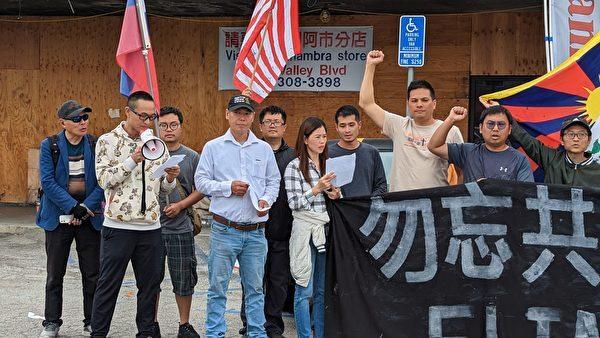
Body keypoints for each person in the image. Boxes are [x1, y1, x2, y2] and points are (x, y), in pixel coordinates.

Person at [91, 91, 180, 338]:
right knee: (108, 285)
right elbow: (104, 180)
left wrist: (171, 176)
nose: (147, 122)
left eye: (152, 117)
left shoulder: (156, 143)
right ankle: (98, 334)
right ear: (128, 112)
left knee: (150, 288)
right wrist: (133, 158)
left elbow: (163, 186)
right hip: (118, 227)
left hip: (150, 228)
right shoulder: (107, 141)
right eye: (143, 116)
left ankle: (146, 333)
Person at [195, 94, 280, 338]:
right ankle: (215, 334)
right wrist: (227, 187)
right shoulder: (213, 147)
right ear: (227, 114)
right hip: (224, 230)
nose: (241, 118)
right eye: (237, 113)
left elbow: (274, 181)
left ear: (253, 117)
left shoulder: (263, 149)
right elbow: (200, 181)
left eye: (246, 114)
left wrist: (267, 200)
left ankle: (256, 333)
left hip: (255, 232)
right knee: (217, 288)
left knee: (255, 289)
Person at [37, 100, 104, 337]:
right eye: (76, 119)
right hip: (57, 218)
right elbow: (48, 182)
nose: (82, 122)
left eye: (85, 117)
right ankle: (51, 322)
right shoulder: (50, 145)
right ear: (63, 122)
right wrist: (72, 207)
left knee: (92, 273)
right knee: (55, 273)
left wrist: (84, 208)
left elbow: (103, 181)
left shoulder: (97, 144)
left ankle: (92, 321)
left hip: (89, 216)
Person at [359, 49, 464, 191]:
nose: (419, 104)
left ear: (434, 104)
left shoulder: (451, 130)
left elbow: (461, 170)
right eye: (414, 100)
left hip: (436, 206)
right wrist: (370, 65)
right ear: (408, 104)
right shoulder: (398, 125)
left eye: (424, 100)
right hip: (400, 206)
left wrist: (455, 198)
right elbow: (366, 103)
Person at [239, 106, 296, 338]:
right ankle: (250, 323)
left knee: (278, 282)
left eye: (277, 121)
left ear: (284, 126)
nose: (273, 125)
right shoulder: (252, 152)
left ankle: (273, 325)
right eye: (268, 121)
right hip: (253, 229)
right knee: (251, 281)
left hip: (282, 230)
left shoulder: (294, 156)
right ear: (260, 126)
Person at [284, 117, 341, 338]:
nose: (322, 141)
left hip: (325, 231)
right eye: (317, 137)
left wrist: (336, 194)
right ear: (305, 139)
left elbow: (336, 195)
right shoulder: (294, 166)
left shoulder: (329, 164)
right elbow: (294, 203)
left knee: (320, 291)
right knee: (303, 290)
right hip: (305, 231)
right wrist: (316, 188)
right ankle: (304, 335)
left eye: (324, 136)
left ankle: (320, 333)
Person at [156, 106, 204, 338]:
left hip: (180, 228)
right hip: (151, 229)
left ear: (181, 127)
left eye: (173, 125)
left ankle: (183, 324)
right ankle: (150, 323)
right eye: (163, 125)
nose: (168, 130)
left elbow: (201, 189)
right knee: (150, 281)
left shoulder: (192, 156)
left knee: (184, 279)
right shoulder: (149, 152)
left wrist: (181, 206)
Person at [477, 100, 600, 187]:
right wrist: (502, 112)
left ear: (589, 140)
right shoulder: (552, 159)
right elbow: (526, 140)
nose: (576, 139)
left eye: (581, 134)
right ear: (562, 140)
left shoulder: (597, 169)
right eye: (571, 134)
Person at [428, 105, 534, 183]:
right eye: (490, 124)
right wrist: (451, 119)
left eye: (501, 125)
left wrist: (492, 187)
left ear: (510, 129)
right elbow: (434, 146)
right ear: (481, 128)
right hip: (471, 213)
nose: (496, 129)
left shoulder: (519, 159)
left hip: (505, 213)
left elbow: (526, 193)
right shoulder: (468, 151)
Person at [329, 104, 387, 197]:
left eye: (351, 125)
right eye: (342, 126)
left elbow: (381, 186)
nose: (347, 130)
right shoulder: (328, 154)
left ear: (359, 125)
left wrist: (367, 202)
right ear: (336, 127)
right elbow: (323, 187)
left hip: (367, 209)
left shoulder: (372, 152)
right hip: (339, 209)